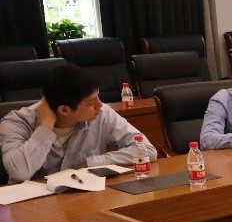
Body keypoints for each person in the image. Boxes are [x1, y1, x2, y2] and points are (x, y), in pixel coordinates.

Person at [0, 62, 156, 182]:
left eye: (98, 97)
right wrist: (46, 126)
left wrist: (91, 163)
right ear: (64, 110)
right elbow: (20, 172)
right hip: (33, 206)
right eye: (91, 102)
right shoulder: (15, 122)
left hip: (83, 197)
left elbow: (147, 150)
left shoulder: (102, 114)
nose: (100, 106)